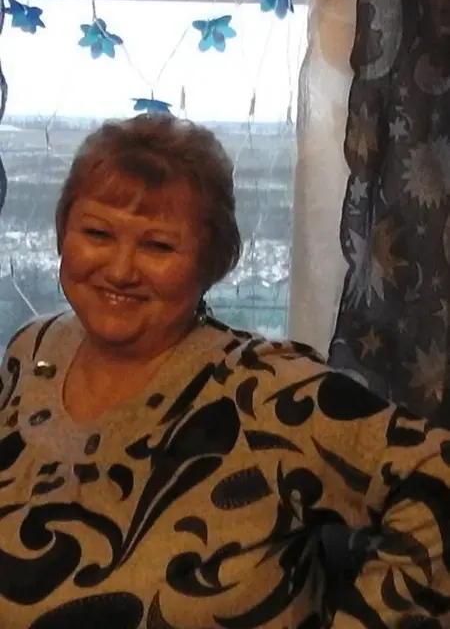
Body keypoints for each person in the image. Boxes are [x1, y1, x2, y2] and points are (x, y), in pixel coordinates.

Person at [0, 114, 448, 629]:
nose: (120, 269)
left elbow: (438, 476)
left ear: (211, 261)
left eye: (157, 245)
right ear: (63, 235)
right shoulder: (34, 349)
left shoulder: (266, 391)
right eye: (97, 233)